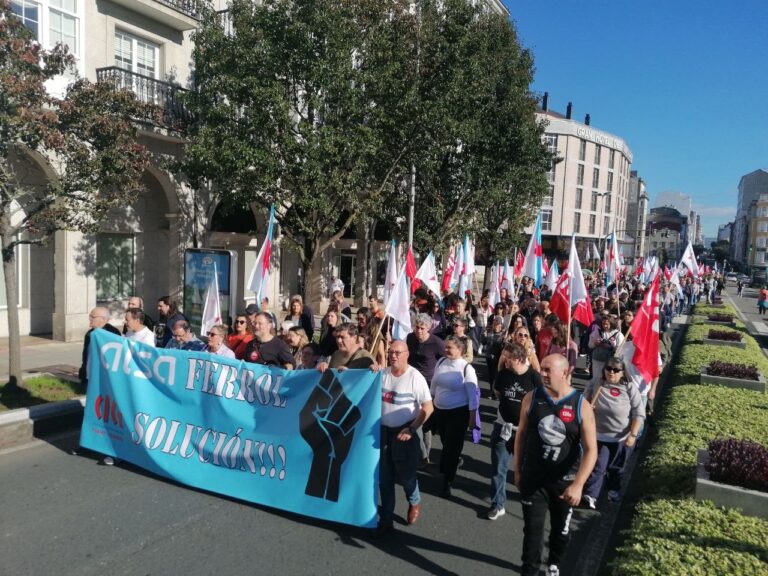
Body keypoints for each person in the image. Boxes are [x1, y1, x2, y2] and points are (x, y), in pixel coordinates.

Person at [514, 354, 597, 576]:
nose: (541, 373)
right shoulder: (531, 398)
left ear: (564, 372)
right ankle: (529, 571)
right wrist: (517, 469)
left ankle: (554, 562)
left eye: (547, 370)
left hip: (565, 483)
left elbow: (591, 450)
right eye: (541, 368)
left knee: (560, 531)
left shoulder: (582, 406)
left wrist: (578, 484)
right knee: (532, 532)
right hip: (534, 479)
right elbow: (521, 435)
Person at [375, 340, 434, 535]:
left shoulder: (415, 377)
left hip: (405, 432)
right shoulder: (382, 375)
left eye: (398, 352)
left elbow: (428, 407)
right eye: (391, 352)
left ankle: (414, 500)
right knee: (385, 478)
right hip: (383, 433)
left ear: (407, 354)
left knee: (407, 477)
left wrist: (412, 428)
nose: (393, 356)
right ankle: (386, 519)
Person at [487, 343, 542, 520]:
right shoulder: (503, 374)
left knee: (528, 468)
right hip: (504, 428)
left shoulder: (534, 377)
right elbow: (498, 393)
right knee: (498, 468)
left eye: (507, 357)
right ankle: (497, 504)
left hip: (526, 432)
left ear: (518, 359)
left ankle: (528, 498)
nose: (503, 360)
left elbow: (542, 402)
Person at [582, 357, 644, 508]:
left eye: (616, 370)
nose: (611, 372)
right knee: (598, 466)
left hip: (621, 438)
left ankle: (613, 489)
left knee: (616, 467)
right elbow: (583, 400)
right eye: (609, 368)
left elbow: (639, 413)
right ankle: (591, 494)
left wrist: (633, 435)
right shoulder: (597, 382)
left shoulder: (629, 387)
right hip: (599, 434)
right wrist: (587, 407)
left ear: (622, 373)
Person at [428, 336, 479, 496]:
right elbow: (434, 385)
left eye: (450, 348)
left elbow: (473, 396)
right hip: (440, 411)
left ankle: (447, 482)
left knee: (452, 447)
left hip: (458, 413)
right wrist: (430, 404)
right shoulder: (441, 362)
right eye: (446, 347)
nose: (446, 350)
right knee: (445, 442)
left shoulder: (466, 368)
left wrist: (472, 417)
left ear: (460, 350)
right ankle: (452, 462)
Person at [71, 307, 122, 464]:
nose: (90, 320)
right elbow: (86, 355)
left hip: (105, 383)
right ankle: (87, 444)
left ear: (102, 318)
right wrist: (82, 372)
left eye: (92, 317)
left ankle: (111, 451)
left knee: (106, 416)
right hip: (90, 379)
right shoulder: (89, 333)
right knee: (90, 415)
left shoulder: (113, 334)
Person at [588, 315, 625, 386]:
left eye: (607, 324)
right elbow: (590, 345)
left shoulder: (618, 334)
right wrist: (595, 343)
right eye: (603, 324)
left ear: (611, 323)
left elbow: (620, 349)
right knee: (597, 378)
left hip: (610, 362)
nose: (604, 326)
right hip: (597, 359)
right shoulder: (597, 332)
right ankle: (595, 392)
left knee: (607, 379)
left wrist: (610, 347)